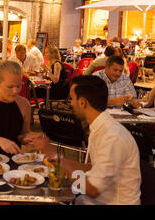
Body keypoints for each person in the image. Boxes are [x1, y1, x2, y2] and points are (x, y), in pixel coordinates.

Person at [25, 75, 141, 205]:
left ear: (82, 102)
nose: (71, 103)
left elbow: (92, 189)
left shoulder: (111, 136)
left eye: (72, 99)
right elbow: (93, 168)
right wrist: (59, 161)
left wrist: (56, 157)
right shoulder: (101, 127)